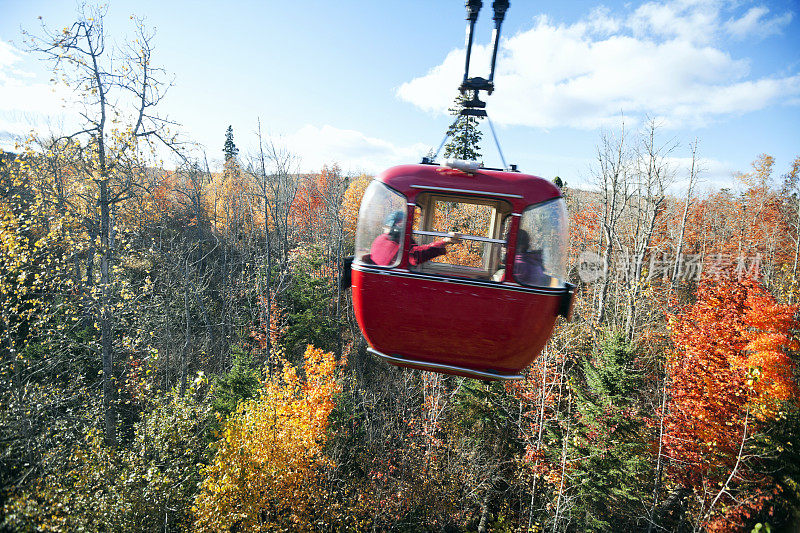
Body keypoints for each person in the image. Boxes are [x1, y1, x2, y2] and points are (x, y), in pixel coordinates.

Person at [370, 210, 458, 266]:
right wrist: (444, 242)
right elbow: (416, 256)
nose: (406, 229)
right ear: (395, 227)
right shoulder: (392, 242)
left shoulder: (380, 239)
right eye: (403, 226)